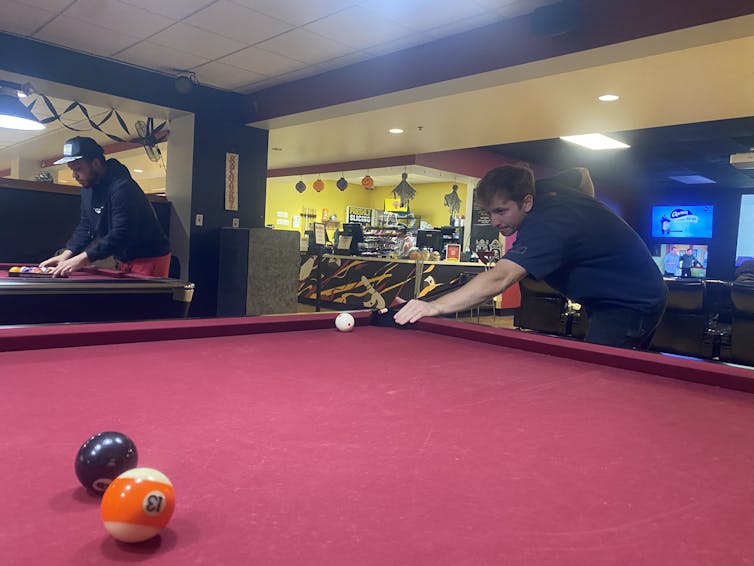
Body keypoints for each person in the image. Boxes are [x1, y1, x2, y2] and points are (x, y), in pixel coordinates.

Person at [393, 165, 668, 349]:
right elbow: (580, 175)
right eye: (489, 212)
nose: (494, 221)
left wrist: (433, 308)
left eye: (501, 211)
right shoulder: (545, 189)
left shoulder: (548, 225)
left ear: (526, 202)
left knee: (598, 376)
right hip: (607, 298)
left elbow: (500, 278)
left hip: (632, 302)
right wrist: (586, 209)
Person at [40, 137, 171, 278]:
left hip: (149, 257)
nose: (74, 175)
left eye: (77, 168)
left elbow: (122, 233)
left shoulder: (123, 187)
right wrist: (67, 254)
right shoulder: (87, 190)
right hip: (124, 258)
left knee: (144, 300)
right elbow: (86, 227)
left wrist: (81, 260)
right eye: (71, 169)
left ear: (95, 163)